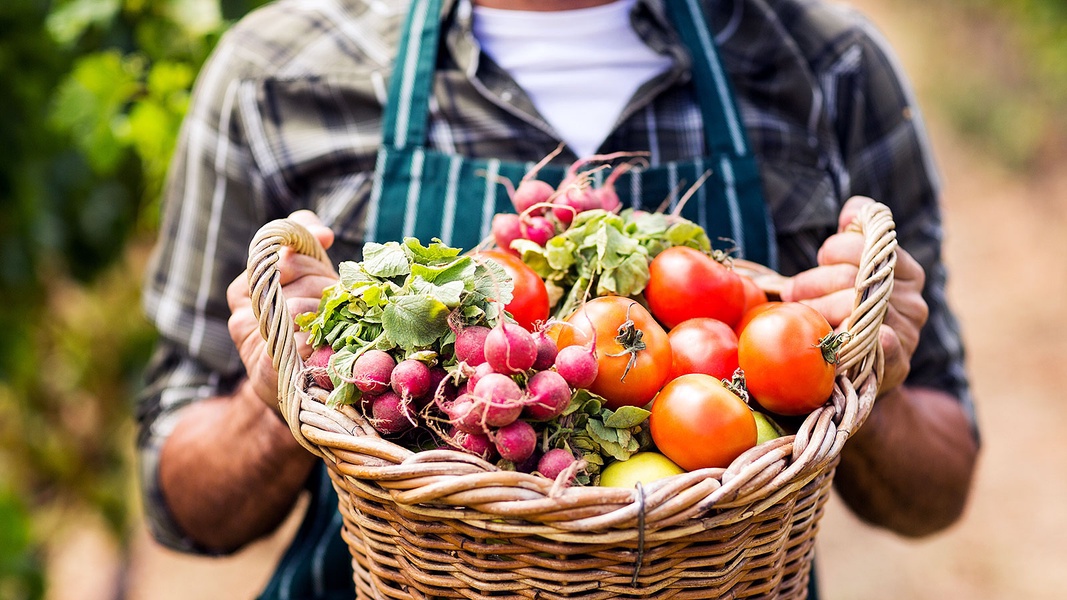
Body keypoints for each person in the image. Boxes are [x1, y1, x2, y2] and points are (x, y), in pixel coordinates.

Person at [136, 0, 980, 598]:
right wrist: (280, 389)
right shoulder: (276, 72)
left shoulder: (826, 67)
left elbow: (937, 490)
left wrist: (871, 375)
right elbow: (183, 509)